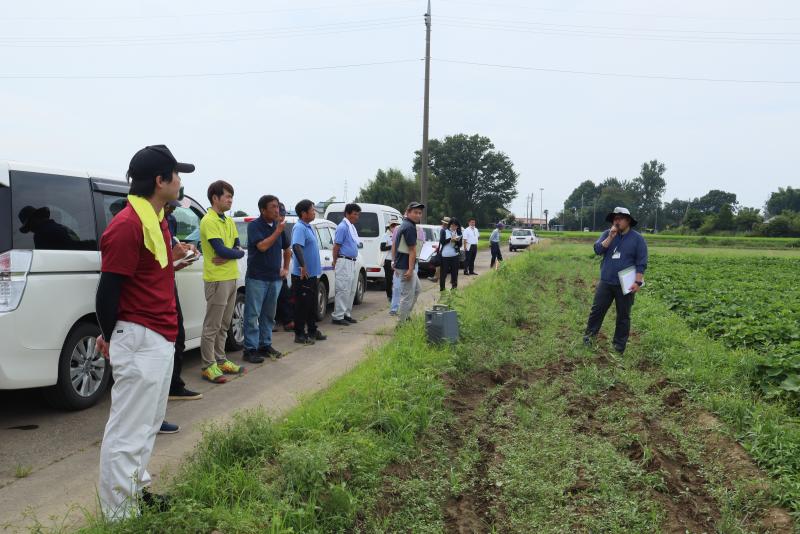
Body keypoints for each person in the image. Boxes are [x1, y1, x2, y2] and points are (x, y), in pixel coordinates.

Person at [95, 144, 193, 519]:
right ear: (160, 180)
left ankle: (136, 493)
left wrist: (177, 259)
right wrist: (110, 335)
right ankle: (119, 514)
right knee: (127, 430)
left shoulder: (157, 219)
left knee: (147, 425)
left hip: (158, 336)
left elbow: (148, 275)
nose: (181, 182)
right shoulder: (128, 225)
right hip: (139, 337)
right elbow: (108, 291)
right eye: (177, 175)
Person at [199, 180, 246, 384]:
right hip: (217, 279)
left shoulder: (228, 221)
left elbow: (237, 247)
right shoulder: (208, 220)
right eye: (227, 196)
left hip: (231, 276)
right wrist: (233, 253)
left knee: (225, 324)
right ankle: (208, 365)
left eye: (231, 196)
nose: (230, 200)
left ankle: (221, 360)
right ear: (215, 198)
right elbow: (221, 250)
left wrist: (233, 253)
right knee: (212, 325)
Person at [583, 207, 648, 354]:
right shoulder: (607, 234)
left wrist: (637, 282)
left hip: (625, 284)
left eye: (619, 218)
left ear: (628, 221)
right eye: (614, 219)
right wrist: (610, 237)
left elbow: (641, 263)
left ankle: (618, 347)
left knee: (623, 316)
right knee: (597, 311)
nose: (616, 221)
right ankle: (589, 339)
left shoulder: (638, 239)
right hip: (606, 281)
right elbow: (598, 250)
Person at [242, 195, 290, 363]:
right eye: (273, 207)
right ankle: (250, 349)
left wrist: (285, 268)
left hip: (274, 278)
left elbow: (287, 249)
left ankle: (265, 344)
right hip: (257, 277)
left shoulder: (279, 226)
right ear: (263, 210)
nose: (277, 210)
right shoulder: (255, 226)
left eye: (278, 206)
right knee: (252, 314)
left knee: (269, 314)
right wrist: (277, 232)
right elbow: (262, 246)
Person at [291, 199, 327, 344]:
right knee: (302, 305)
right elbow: (296, 247)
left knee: (311, 304)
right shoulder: (299, 227)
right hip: (303, 274)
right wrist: (303, 265)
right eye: (312, 210)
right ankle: (299, 334)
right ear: (303, 213)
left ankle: (312, 330)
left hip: (311, 274)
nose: (314, 212)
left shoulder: (308, 227)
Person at [331, 203, 362, 326]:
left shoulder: (351, 227)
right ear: (347, 214)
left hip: (351, 261)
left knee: (351, 289)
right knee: (343, 289)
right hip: (343, 260)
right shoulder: (343, 227)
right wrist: (335, 261)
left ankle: (346, 313)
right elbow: (336, 246)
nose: (356, 217)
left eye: (358, 214)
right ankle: (338, 316)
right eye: (354, 214)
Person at [394, 202, 425, 322]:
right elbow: (412, 250)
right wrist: (410, 269)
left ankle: (405, 316)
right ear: (408, 212)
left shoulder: (406, 224)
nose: (418, 215)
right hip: (406, 266)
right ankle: (401, 323)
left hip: (404, 264)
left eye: (420, 213)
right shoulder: (409, 227)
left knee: (417, 289)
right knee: (407, 296)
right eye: (415, 212)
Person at [439, 217, 462, 291]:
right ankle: (442, 289)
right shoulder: (444, 231)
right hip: (445, 256)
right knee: (443, 274)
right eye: (452, 225)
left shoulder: (458, 233)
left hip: (455, 256)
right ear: (449, 225)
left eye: (455, 226)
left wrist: (457, 241)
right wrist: (450, 239)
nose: (454, 227)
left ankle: (454, 289)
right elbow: (442, 242)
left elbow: (460, 245)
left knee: (454, 273)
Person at [381, 220, 400, 303]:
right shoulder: (385, 236)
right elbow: (382, 248)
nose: (394, 227)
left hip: (396, 259)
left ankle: (396, 296)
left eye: (395, 226)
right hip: (388, 260)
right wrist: (392, 246)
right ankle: (389, 295)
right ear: (389, 227)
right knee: (389, 279)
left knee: (396, 279)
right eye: (392, 226)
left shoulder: (398, 235)